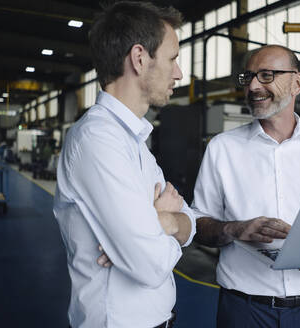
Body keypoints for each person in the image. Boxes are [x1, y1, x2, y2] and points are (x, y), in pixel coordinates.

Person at [191, 45, 300, 328]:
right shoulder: (222, 148)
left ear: (297, 82)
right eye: (249, 78)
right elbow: (197, 226)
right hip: (244, 310)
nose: (254, 86)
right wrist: (234, 229)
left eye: (267, 75)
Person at [53, 2, 196, 327]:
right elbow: (148, 265)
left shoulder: (135, 142)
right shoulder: (97, 140)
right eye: (172, 58)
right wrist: (163, 224)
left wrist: (162, 223)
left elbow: (190, 223)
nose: (179, 72)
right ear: (139, 58)